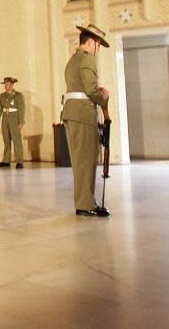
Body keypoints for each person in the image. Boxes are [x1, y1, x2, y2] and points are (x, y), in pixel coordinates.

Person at [62, 23, 111, 217]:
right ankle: (85, 204)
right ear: (91, 43)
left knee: (80, 161)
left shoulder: (73, 59)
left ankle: (85, 201)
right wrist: (103, 98)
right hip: (82, 115)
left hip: (72, 113)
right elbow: (90, 90)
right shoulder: (87, 59)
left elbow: (80, 86)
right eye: (98, 46)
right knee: (87, 160)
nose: (97, 50)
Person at [0, 77, 25, 168]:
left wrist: (21, 121)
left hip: (14, 119)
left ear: (12, 85)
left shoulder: (18, 95)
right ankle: (6, 160)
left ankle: (19, 161)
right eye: (5, 85)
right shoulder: (2, 95)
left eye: (7, 84)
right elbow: (0, 108)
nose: (5, 86)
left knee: (16, 141)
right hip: (5, 120)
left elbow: (22, 109)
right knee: (6, 140)